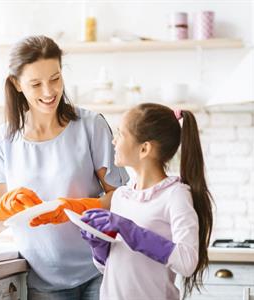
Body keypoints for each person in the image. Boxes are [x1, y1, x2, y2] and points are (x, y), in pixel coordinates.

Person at [0, 35, 128, 300]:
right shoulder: (2, 141)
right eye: (36, 84)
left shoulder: (90, 126)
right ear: (16, 84)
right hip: (44, 280)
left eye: (55, 79)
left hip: (100, 270)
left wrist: (75, 207)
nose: (49, 92)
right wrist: (3, 209)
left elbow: (122, 199)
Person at [80, 103, 213, 300]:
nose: (114, 141)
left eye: (121, 134)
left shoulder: (175, 195)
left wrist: (132, 231)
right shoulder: (120, 197)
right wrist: (98, 245)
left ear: (144, 149)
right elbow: (108, 268)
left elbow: (187, 262)